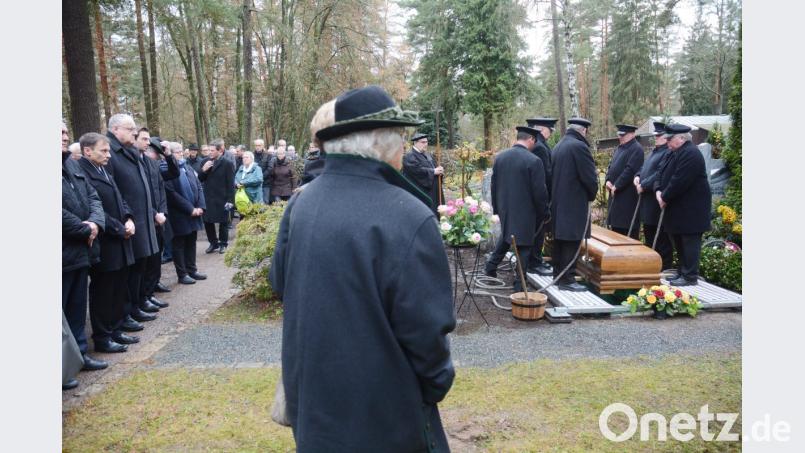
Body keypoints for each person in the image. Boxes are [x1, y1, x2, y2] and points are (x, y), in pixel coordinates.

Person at [270, 86, 455, 452]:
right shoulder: (408, 215)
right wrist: (435, 383)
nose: (403, 147)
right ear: (380, 143)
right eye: (399, 138)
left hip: (313, 402)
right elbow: (427, 333)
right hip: (381, 416)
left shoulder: (302, 203)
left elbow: (280, 283)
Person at [77, 133, 139, 353]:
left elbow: (119, 196)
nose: (108, 155)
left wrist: (129, 217)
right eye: (103, 151)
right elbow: (93, 207)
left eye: (109, 150)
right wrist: (118, 228)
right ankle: (103, 337)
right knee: (104, 291)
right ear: (87, 151)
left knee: (118, 287)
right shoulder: (82, 171)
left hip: (120, 239)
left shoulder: (103, 168)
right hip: (105, 241)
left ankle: (115, 329)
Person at [62, 123, 108, 372]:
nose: (65, 136)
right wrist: (85, 229)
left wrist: (95, 224)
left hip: (80, 252)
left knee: (77, 310)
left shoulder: (71, 164)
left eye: (65, 132)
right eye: (59, 133)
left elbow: (93, 197)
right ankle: (63, 366)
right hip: (63, 250)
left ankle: (79, 356)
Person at [105, 114, 159, 326]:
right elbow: (112, 190)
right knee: (128, 273)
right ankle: (126, 312)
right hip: (127, 222)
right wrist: (126, 219)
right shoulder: (111, 152)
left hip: (141, 219)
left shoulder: (128, 151)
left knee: (140, 268)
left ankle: (136, 305)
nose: (135, 133)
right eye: (130, 129)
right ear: (116, 129)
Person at [484, 126, 549, 292]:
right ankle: (520, 284)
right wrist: (544, 212)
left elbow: (494, 185)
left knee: (507, 237)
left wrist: (497, 209)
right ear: (531, 140)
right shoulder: (534, 161)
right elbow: (539, 191)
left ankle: (491, 266)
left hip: (506, 208)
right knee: (525, 247)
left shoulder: (501, 157)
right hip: (525, 212)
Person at [654, 123, 712, 286]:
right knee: (678, 242)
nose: (667, 142)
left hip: (691, 210)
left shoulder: (690, 153)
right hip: (678, 209)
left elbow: (679, 180)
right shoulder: (674, 152)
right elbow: (661, 173)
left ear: (681, 138)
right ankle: (682, 271)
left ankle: (690, 276)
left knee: (689, 242)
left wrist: (664, 197)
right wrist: (658, 190)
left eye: (669, 139)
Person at [550, 118, 599, 292]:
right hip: (573, 203)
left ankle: (558, 275)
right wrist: (592, 194)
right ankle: (567, 279)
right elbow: (589, 178)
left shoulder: (559, 145)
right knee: (571, 241)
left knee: (561, 241)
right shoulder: (579, 147)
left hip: (558, 202)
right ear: (584, 131)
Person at [135, 129, 177, 311]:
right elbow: (139, 196)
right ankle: (146, 294)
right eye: (156, 153)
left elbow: (169, 178)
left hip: (160, 217)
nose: (158, 157)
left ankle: (151, 290)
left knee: (156, 258)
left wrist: (163, 212)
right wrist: (154, 213)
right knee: (148, 261)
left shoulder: (153, 165)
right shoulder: (139, 164)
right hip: (147, 218)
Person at [164, 141, 208, 285]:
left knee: (191, 242)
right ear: (169, 153)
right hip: (179, 214)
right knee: (179, 244)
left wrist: (200, 206)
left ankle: (192, 270)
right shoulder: (166, 169)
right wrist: (190, 209)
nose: (181, 153)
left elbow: (199, 187)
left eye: (181, 151)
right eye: (177, 152)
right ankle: (182, 274)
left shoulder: (187, 167)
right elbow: (171, 194)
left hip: (195, 211)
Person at [634, 122, 673, 270]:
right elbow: (643, 168)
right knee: (650, 236)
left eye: (659, 136)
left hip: (656, 203)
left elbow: (659, 174)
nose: (656, 138)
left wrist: (644, 185)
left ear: (666, 137)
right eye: (655, 135)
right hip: (647, 203)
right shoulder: (654, 152)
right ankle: (651, 265)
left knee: (661, 238)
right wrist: (638, 176)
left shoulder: (667, 153)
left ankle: (664, 267)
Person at [525, 117, 558, 276]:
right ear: (542, 129)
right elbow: (546, 175)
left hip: (534, 197)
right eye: (550, 130)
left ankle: (535, 259)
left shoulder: (538, 144)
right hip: (540, 196)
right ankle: (534, 262)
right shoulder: (539, 147)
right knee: (538, 231)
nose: (550, 133)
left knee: (537, 230)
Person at [605, 124, 644, 239]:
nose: (620, 137)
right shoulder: (619, 148)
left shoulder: (637, 149)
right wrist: (607, 180)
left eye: (623, 135)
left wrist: (617, 185)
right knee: (615, 233)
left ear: (632, 134)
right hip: (615, 199)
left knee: (628, 235)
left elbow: (630, 170)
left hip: (627, 201)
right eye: (619, 135)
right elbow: (611, 166)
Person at [199, 139, 235, 253]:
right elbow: (199, 179)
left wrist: (230, 200)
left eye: (212, 150)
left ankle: (223, 243)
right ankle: (213, 243)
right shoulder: (204, 161)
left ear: (220, 150)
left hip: (222, 197)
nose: (210, 152)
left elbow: (230, 183)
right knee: (208, 222)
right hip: (208, 197)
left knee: (223, 222)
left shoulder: (227, 164)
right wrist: (204, 170)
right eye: (209, 150)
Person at [402, 133, 444, 215]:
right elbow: (416, 170)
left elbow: (434, 167)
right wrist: (433, 171)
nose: (426, 144)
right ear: (415, 143)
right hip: (422, 192)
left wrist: (440, 170)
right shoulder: (409, 156)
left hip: (433, 191)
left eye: (427, 142)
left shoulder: (427, 155)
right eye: (423, 142)